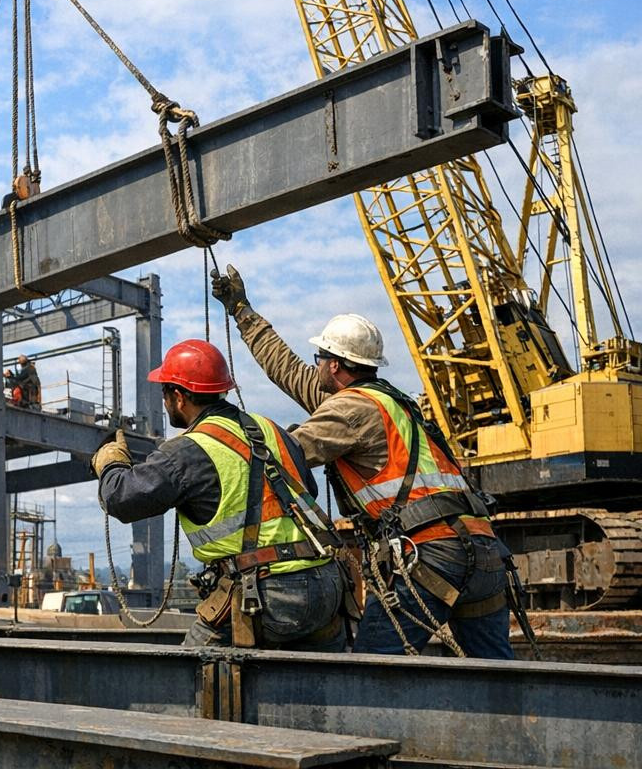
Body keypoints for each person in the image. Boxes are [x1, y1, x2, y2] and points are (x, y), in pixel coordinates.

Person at [211, 264, 517, 658]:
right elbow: (286, 369)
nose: (315, 364)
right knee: (497, 674)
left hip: (432, 552)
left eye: (319, 357)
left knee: (375, 670)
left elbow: (286, 458)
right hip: (484, 547)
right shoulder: (387, 401)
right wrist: (242, 311)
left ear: (334, 364)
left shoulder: (351, 411)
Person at [93, 339, 346, 651]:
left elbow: (121, 498)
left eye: (165, 393)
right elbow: (308, 489)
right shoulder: (272, 429)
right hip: (327, 583)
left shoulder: (187, 450)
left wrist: (111, 462)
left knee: (189, 680)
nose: (164, 401)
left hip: (268, 594)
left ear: (178, 396)